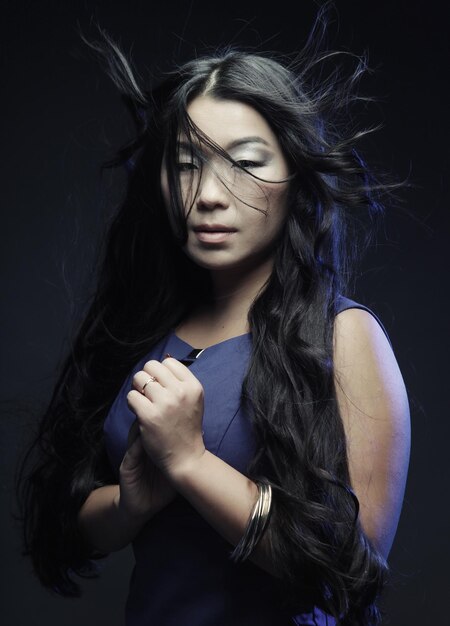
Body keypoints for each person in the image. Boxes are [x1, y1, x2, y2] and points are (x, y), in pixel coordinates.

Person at [18, 20, 410, 626]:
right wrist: (130, 505)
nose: (207, 194)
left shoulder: (345, 335)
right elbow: (67, 528)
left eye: (245, 162)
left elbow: (351, 572)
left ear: (295, 176)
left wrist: (193, 464)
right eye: (186, 165)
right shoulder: (147, 325)